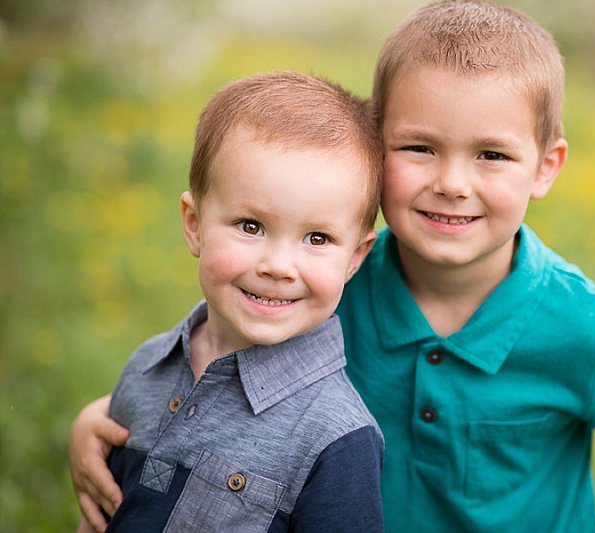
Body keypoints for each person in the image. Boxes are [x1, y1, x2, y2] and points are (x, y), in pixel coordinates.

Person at [71, 2, 595, 531]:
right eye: (419, 147)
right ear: (375, 153)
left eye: (491, 154)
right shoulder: (328, 283)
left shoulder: (584, 323)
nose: (452, 183)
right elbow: (226, 368)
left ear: (546, 166)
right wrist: (102, 416)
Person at [75, 70, 385, 532]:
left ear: (355, 258)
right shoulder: (148, 367)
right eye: (251, 226)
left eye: (317, 238)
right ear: (195, 224)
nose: (279, 265)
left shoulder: (336, 438)